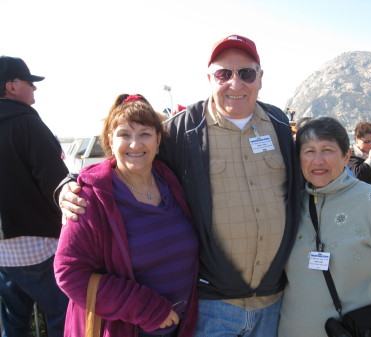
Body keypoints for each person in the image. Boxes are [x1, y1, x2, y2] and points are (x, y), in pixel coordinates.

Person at [57, 34, 301, 336]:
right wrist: (68, 185)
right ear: (209, 79)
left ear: (260, 78)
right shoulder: (182, 130)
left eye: (246, 73)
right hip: (213, 305)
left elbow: (314, 175)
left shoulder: (279, 124)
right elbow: (130, 159)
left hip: (272, 301)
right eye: (224, 74)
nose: (235, 84)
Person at [54, 94, 199, 337]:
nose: (135, 144)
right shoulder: (89, 199)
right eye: (124, 134)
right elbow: (69, 272)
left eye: (145, 133)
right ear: (110, 140)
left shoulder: (172, 182)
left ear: (158, 140)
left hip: (182, 328)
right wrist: (148, 308)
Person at [278, 117, 371, 336]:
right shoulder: (293, 204)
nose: (317, 160)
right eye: (309, 151)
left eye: (327, 150)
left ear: (346, 156)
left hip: (355, 330)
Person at [0, 56, 69, 336]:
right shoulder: (27, 123)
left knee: (14, 324)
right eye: (30, 82)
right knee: (62, 318)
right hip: (39, 248)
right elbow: (57, 184)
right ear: (11, 86)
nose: (34, 89)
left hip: (2, 255)